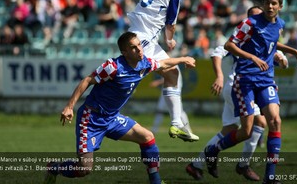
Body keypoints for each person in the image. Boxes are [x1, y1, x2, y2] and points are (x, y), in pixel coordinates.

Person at [43, 31, 196, 184]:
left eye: (139, 45)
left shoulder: (145, 63)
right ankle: (54, 168)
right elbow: (87, 80)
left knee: (147, 137)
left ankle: (155, 181)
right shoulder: (113, 67)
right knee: (84, 168)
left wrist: (184, 59)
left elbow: (163, 63)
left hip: (112, 118)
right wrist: (69, 107)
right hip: (91, 119)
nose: (139, 49)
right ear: (125, 52)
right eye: (133, 48)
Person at [75, 0, 200, 142]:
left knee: (172, 74)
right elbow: (171, 24)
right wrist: (170, 39)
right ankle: (176, 124)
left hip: (135, 35)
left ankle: (176, 124)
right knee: (164, 73)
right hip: (143, 42)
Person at [204, 0, 297, 184]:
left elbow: (272, 43)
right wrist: (252, 57)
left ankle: (270, 176)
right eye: (267, 2)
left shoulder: (280, 24)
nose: (270, 6)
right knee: (246, 131)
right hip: (245, 81)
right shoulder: (250, 23)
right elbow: (229, 45)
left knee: (275, 121)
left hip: (266, 80)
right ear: (263, 3)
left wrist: (293, 51)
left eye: (274, 3)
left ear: (280, 6)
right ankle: (213, 150)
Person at [186, 6, 288, 182]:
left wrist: (283, 59)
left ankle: (196, 164)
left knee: (230, 130)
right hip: (239, 85)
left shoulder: (267, 38)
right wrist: (219, 76)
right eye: (254, 18)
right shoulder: (241, 35)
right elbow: (218, 52)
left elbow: (280, 57)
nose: (259, 21)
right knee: (260, 122)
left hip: (245, 86)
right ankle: (243, 165)